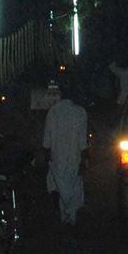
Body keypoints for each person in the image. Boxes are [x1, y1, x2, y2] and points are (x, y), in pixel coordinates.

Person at [40, 87, 90, 227]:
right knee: (72, 187)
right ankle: (71, 216)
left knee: (59, 186)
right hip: (74, 157)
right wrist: (85, 159)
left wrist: (46, 156)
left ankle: (64, 216)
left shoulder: (53, 112)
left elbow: (46, 140)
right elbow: (83, 142)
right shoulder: (80, 112)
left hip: (57, 158)